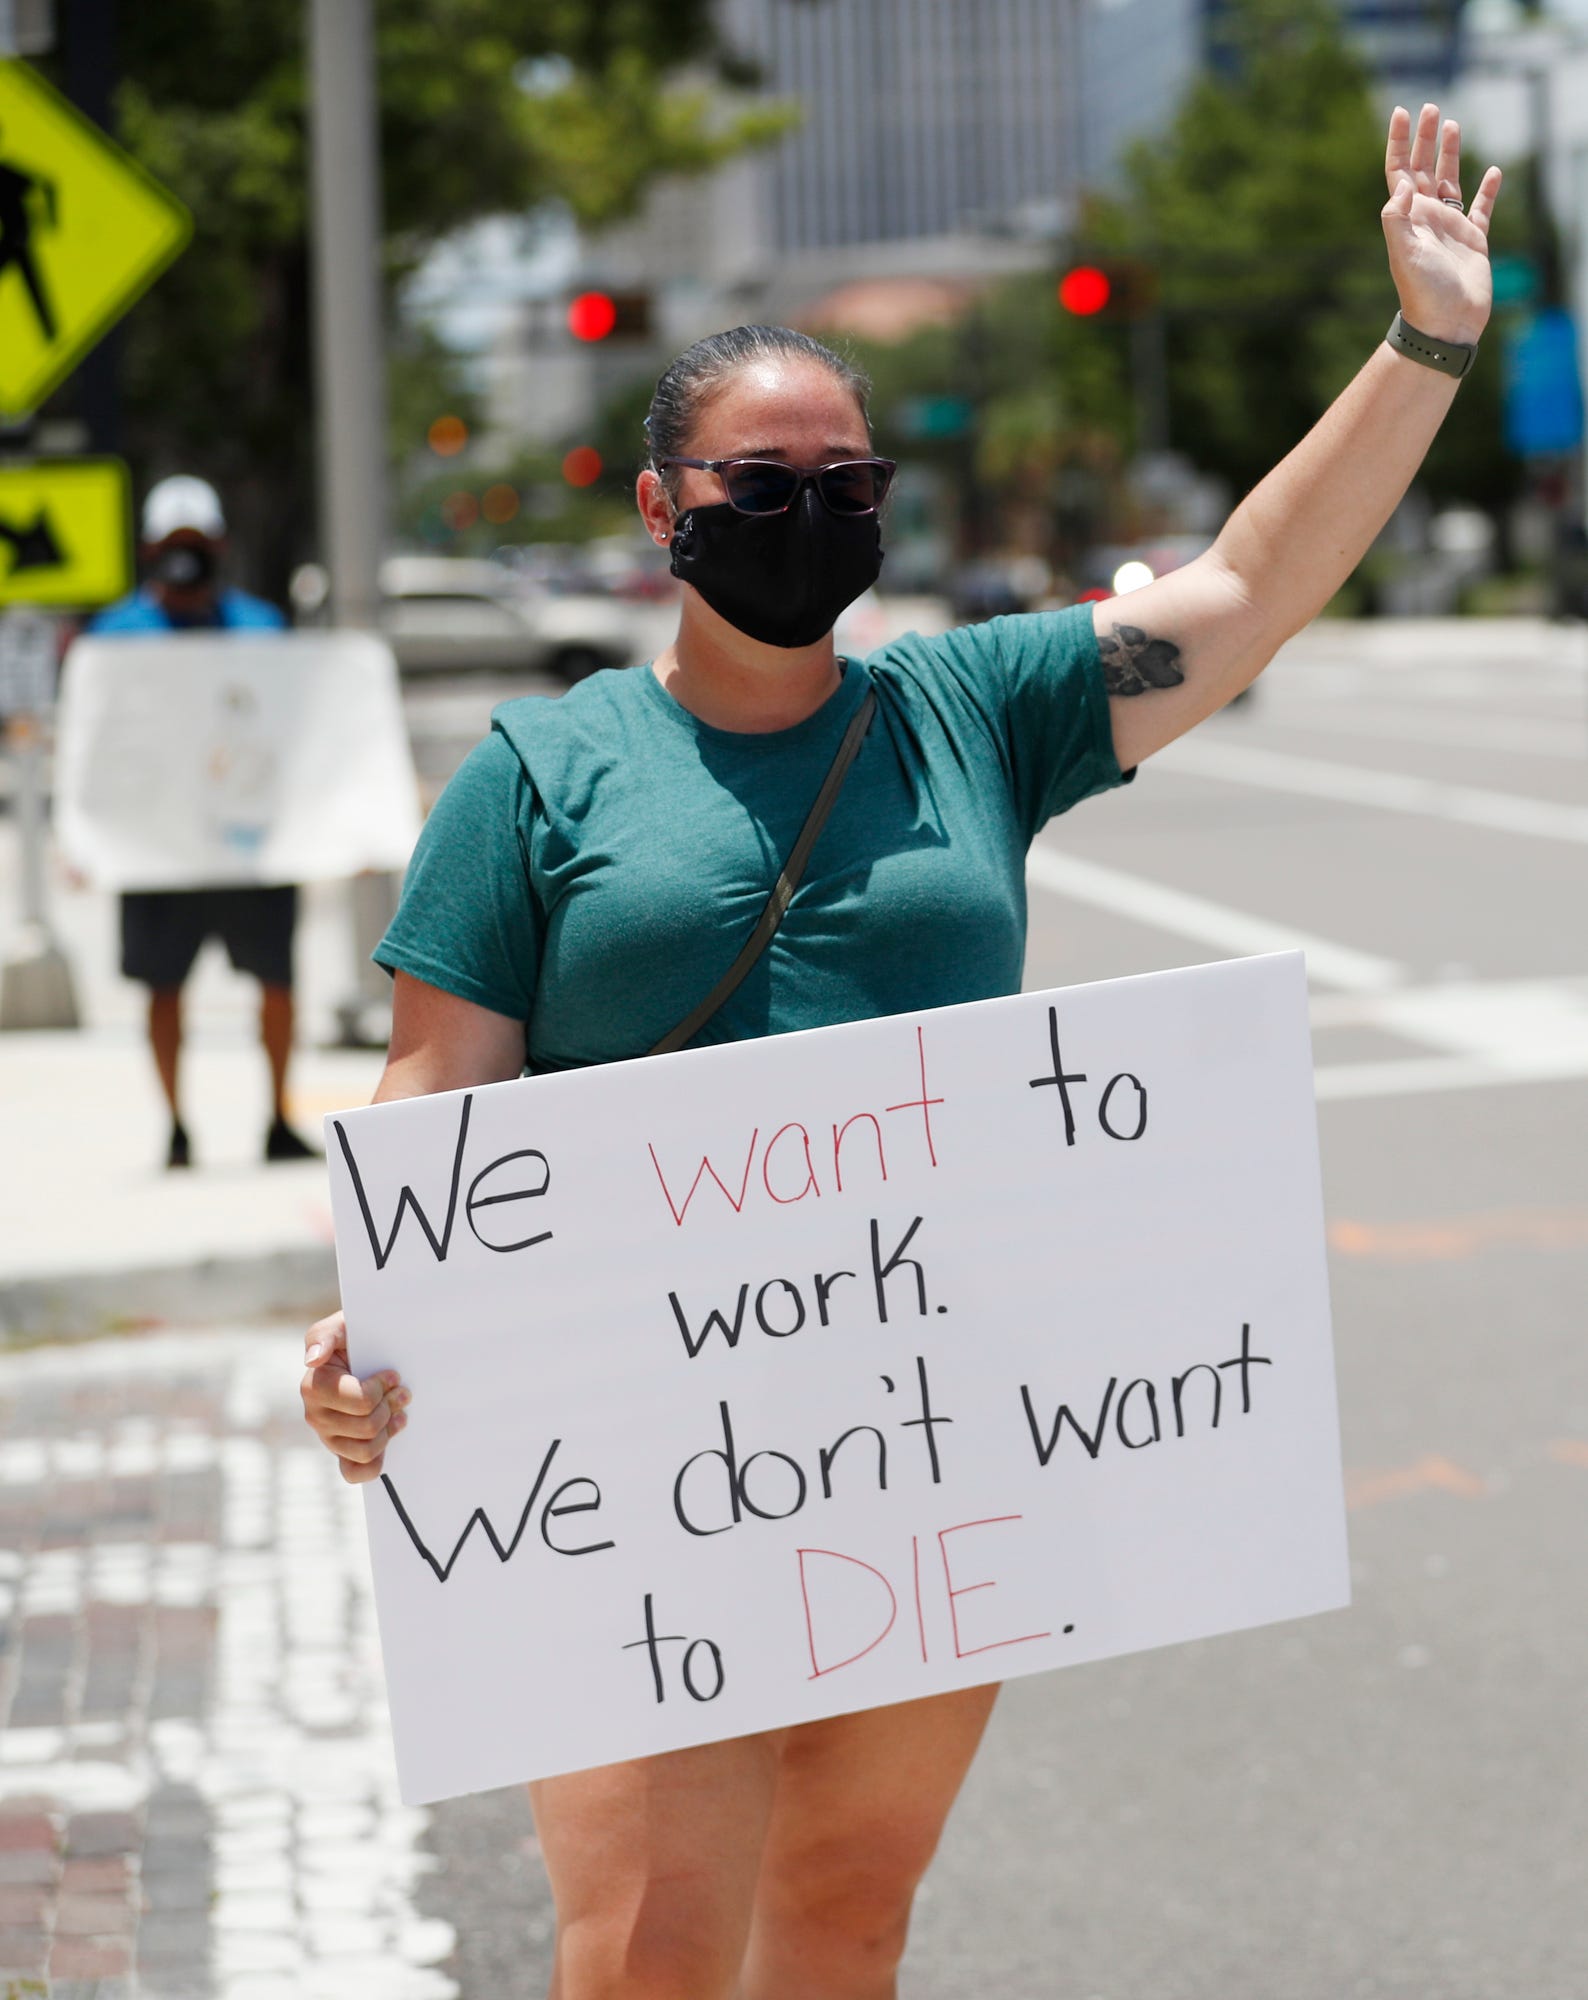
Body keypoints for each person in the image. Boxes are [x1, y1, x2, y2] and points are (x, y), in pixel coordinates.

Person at [303, 108, 1498, 2000]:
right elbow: (434, 1094)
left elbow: (1249, 587)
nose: (806, 512)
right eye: (755, 481)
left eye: (840, 478)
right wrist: (382, 1328)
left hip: (923, 1443)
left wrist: (1421, 343)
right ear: (659, 509)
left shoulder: (983, 709)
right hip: (633, 1454)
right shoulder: (537, 779)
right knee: (644, 1956)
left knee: (850, 1921)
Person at [91, 475, 318, 1169]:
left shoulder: (261, 627)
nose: (184, 557)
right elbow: (96, 750)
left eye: (195, 544)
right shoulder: (114, 638)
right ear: (149, 549)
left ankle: (278, 1118)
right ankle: (177, 1127)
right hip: (162, 852)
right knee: (164, 988)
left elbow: (295, 731)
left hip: (248, 847)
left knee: (275, 981)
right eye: (172, 545)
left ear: (217, 545)